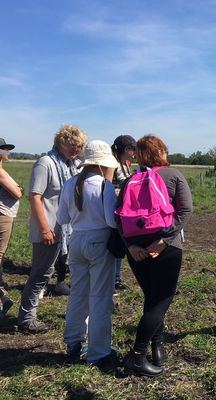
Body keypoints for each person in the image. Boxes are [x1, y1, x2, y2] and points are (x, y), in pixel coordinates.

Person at [116, 135, 193, 376]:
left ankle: (157, 346)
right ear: (162, 152)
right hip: (166, 247)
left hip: (137, 251)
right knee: (161, 300)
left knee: (152, 298)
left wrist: (130, 246)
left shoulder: (130, 180)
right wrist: (165, 240)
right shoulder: (174, 175)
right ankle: (137, 355)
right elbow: (186, 210)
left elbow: (118, 216)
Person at [17, 124, 87, 333]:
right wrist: (45, 229)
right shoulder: (45, 163)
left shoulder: (71, 164)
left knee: (54, 271)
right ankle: (26, 318)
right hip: (48, 228)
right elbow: (34, 197)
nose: (76, 149)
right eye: (72, 145)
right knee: (41, 273)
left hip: (66, 230)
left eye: (79, 146)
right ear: (60, 142)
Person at [57, 140, 119, 366]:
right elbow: (112, 222)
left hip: (76, 241)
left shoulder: (70, 184)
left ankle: (73, 343)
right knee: (100, 298)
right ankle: (98, 352)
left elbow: (62, 219)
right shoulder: (104, 186)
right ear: (103, 164)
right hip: (99, 241)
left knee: (78, 294)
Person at [0, 138, 23, 319]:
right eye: (5, 149)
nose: (7, 152)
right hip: (3, 215)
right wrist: (19, 189)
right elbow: (17, 192)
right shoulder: (0, 172)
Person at [111, 134, 137, 291]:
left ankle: (116, 279)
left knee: (119, 245)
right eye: (133, 149)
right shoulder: (113, 165)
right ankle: (113, 280)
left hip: (121, 209)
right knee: (115, 246)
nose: (135, 152)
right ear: (127, 149)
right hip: (114, 208)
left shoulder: (124, 164)